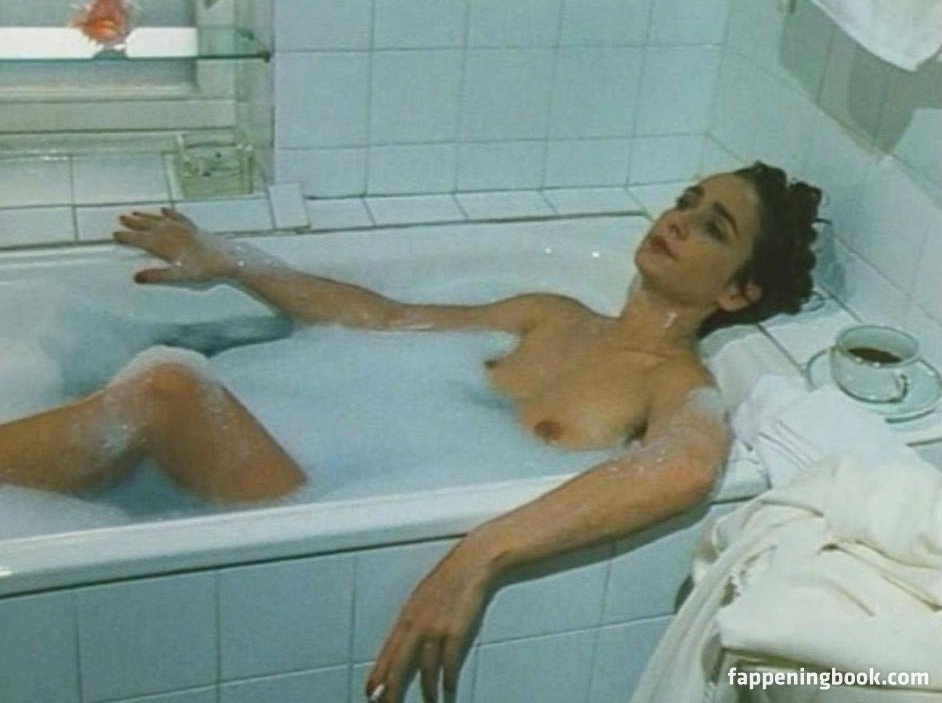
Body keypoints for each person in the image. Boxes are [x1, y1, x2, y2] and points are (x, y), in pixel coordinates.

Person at [0, 162, 819, 701]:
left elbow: (683, 466)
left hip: (323, 498)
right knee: (164, 389)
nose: (679, 220)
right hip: (334, 463)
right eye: (687, 201)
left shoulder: (672, 381)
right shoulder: (552, 312)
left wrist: (477, 553)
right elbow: (386, 320)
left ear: (738, 293)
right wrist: (236, 263)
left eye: (714, 227)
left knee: (169, 391)